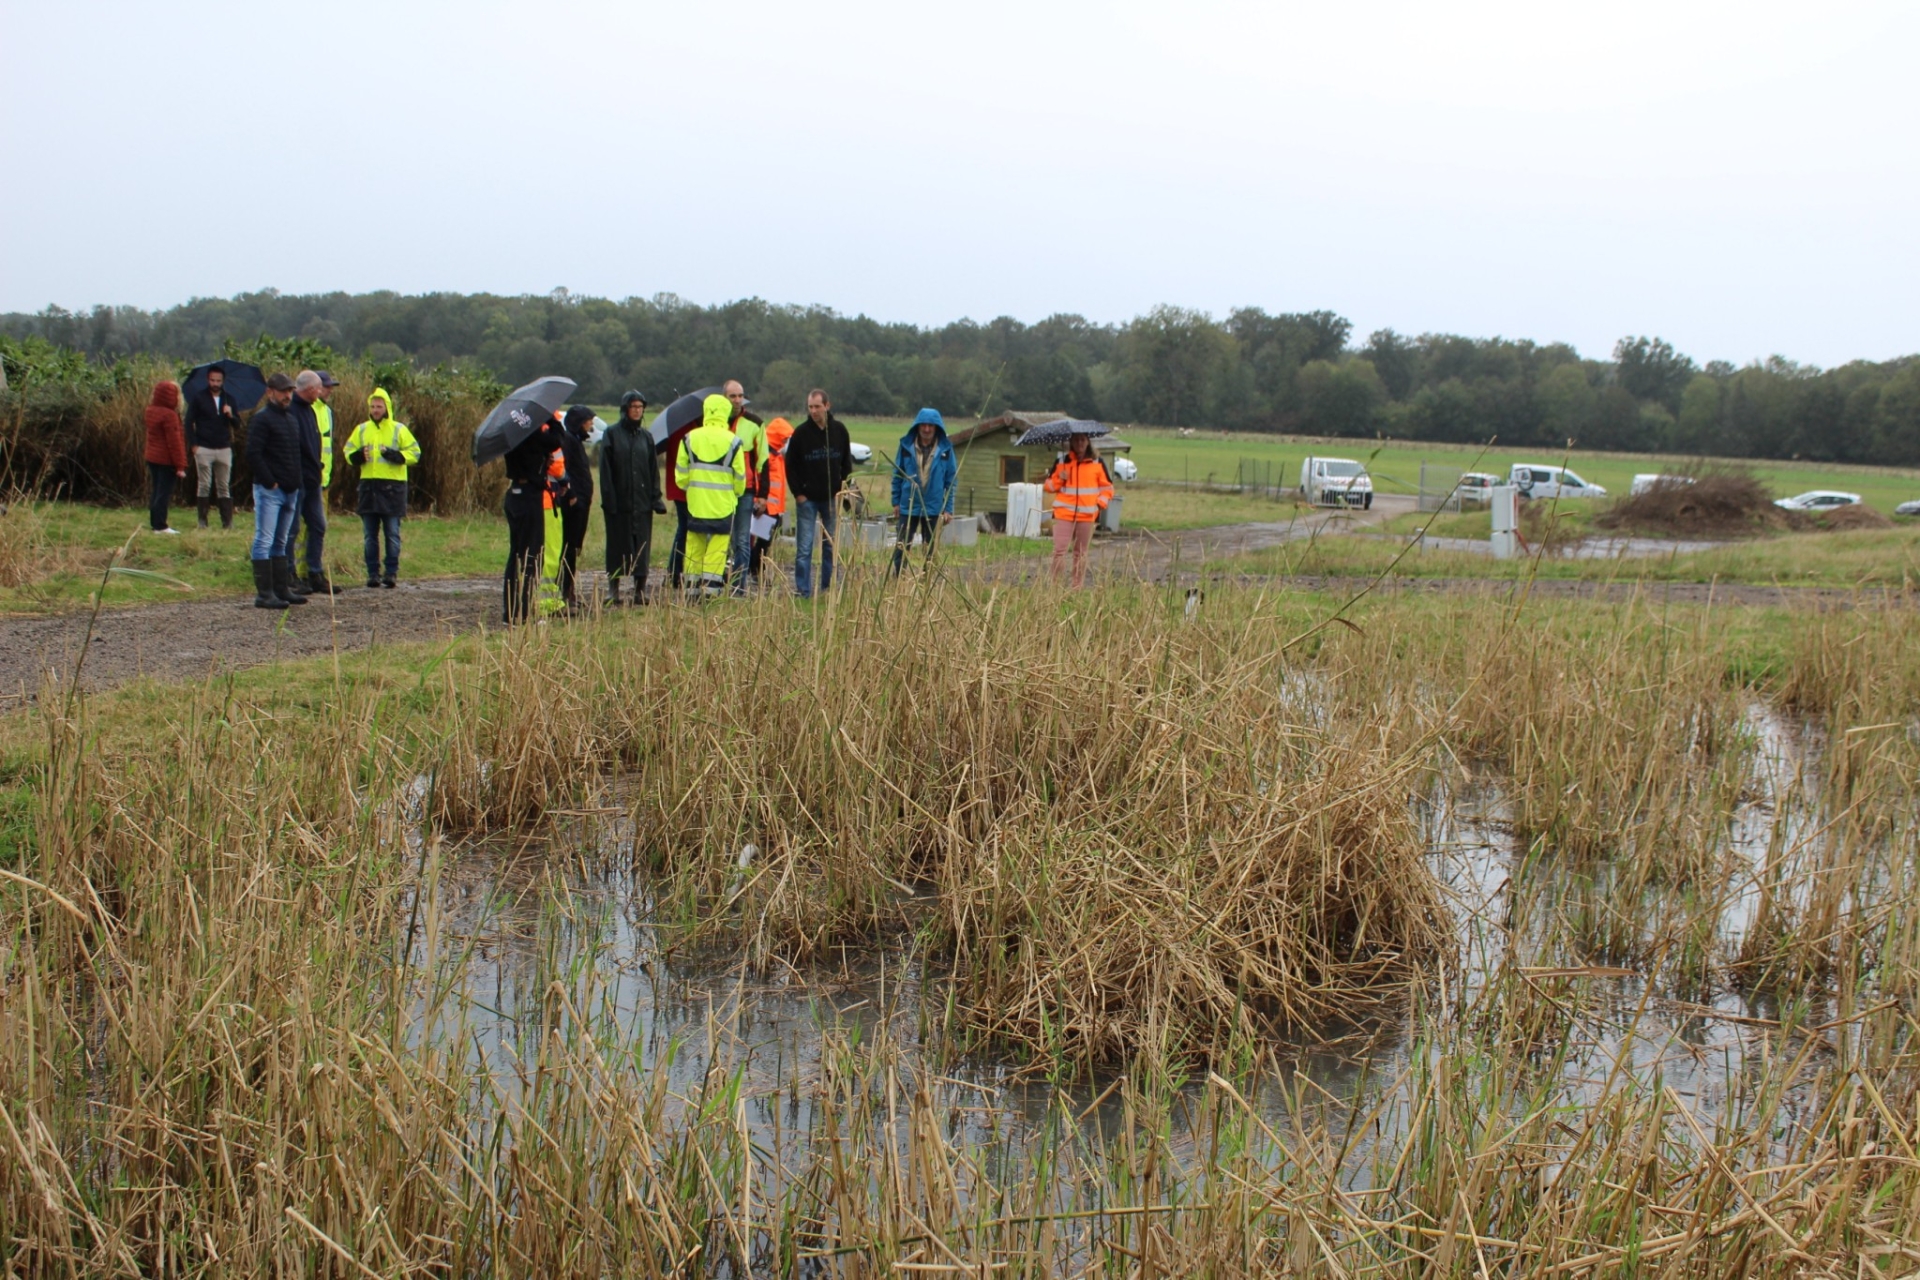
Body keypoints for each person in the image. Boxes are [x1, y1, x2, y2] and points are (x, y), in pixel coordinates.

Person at [343, 387, 419, 588]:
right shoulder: (361, 429)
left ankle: (391, 573)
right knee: (369, 535)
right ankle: (373, 574)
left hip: (393, 488)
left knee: (392, 534)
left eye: (379, 406)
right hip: (369, 487)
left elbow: (415, 452)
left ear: (387, 408)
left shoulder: (398, 429)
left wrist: (398, 456)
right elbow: (347, 450)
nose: (375, 410)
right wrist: (357, 456)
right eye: (373, 406)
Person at [673, 393, 747, 597]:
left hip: (696, 505)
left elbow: (680, 477)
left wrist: (693, 488)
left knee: (694, 548)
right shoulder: (734, 442)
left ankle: (691, 591)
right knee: (717, 550)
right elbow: (740, 479)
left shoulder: (689, 438)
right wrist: (736, 494)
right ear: (725, 413)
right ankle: (710, 592)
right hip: (723, 506)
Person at [245, 373, 307, 608]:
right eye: (283, 391)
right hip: (270, 490)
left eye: (290, 391)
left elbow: (294, 453)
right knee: (264, 539)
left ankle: (281, 589)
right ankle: (264, 593)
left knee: (281, 541)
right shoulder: (262, 419)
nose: (287, 395)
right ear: (270, 391)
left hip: (291, 489)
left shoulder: (291, 419)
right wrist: (269, 481)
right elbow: (253, 453)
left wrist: (296, 480)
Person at [786, 387, 854, 598]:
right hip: (807, 499)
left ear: (827, 406)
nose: (813, 411)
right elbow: (790, 466)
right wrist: (798, 494)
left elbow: (846, 463)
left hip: (832, 499)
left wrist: (843, 490)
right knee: (804, 548)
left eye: (817, 406)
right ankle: (803, 590)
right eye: (810, 407)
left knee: (830, 547)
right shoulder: (800, 434)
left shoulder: (839, 431)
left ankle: (828, 588)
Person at [600, 390, 664, 605]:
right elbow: (605, 471)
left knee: (642, 545)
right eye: (633, 407)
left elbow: (653, 470)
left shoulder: (646, 437)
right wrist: (609, 500)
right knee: (617, 544)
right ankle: (614, 588)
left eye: (640, 407)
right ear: (625, 409)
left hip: (643, 502)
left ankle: (639, 590)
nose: (637, 411)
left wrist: (656, 498)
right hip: (619, 502)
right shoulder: (611, 434)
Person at [501, 415, 563, 623]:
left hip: (514, 495)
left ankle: (510, 611)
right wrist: (550, 419)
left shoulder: (511, 437)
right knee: (532, 556)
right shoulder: (534, 434)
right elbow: (556, 439)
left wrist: (542, 459)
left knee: (515, 555)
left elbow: (534, 455)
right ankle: (525, 612)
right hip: (530, 498)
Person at [888, 407, 957, 576]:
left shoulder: (946, 450)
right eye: (923, 425)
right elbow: (897, 474)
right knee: (902, 547)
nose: (927, 429)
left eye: (931, 426)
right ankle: (898, 583)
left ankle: (927, 585)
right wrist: (895, 501)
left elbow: (951, 480)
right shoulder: (905, 446)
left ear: (937, 428)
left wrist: (948, 509)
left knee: (930, 550)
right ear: (917, 426)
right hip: (909, 505)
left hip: (934, 507)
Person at [1043, 431, 1113, 589]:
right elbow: (1048, 487)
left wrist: (1099, 505)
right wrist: (1060, 478)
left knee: (1080, 553)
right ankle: (1055, 587)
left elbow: (1108, 489)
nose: (1079, 443)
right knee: (1059, 551)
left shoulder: (1097, 463)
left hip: (1087, 515)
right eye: (1076, 440)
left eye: (1082, 439)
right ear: (1071, 443)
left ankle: (1076, 588)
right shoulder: (1061, 462)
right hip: (1063, 514)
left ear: (1088, 442)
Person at [281, 370, 328, 596]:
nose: (321, 392)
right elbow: (295, 446)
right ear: (310, 389)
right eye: (319, 388)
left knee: (318, 525)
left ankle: (314, 572)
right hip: (297, 479)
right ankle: (289, 573)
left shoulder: (309, 410)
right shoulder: (292, 411)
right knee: (292, 528)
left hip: (312, 478)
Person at [721, 380, 768, 595]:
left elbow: (763, 462)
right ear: (724, 398)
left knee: (742, 539)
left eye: (740, 395)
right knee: (723, 539)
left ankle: (739, 587)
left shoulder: (755, 423)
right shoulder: (714, 422)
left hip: (746, 490)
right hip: (720, 490)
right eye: (733, 396)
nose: (738, 400)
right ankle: (722, 580)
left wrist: (763, 496)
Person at [554, 406, 597, 609]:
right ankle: (564, 590)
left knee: (573, 547)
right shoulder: (568, 440)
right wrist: (572, 495)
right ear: (580, 422)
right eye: (588, 420)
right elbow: (563, 470)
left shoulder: (575, 440)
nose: (591, 424)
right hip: (573, 502)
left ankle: (568, 590)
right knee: (568, 547)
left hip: (580, 501)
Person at [184, 367, 237, 528]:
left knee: (223, 486)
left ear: (223, 381)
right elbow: (188, 422)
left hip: (224, 448)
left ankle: (227, 522)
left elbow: (238, 424)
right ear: (208, 380)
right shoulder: (199, 398)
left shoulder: (229, 399)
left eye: (218, 380)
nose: (215, 383)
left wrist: (231, 415)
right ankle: (202, 520)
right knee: (204, 484)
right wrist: (194, 444)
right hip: (203, 447)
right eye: (212, 380)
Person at [750, 415, 793, 580]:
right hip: (765, 507)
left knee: (764, 543)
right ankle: (755, 571)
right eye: (784, 438)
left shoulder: (776, 455)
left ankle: (755, 570)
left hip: (773, 507)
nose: (786, 442)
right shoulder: (766, 454)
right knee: (762, 544)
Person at [142, 380, 187, 534]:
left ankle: (155, 523)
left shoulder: (150, 410)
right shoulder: (170, 415)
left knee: (156, 491)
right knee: (164, 493)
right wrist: (180, 465)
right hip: (166, 460)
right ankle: (160, 525)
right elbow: (175, 443)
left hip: (152, 457)